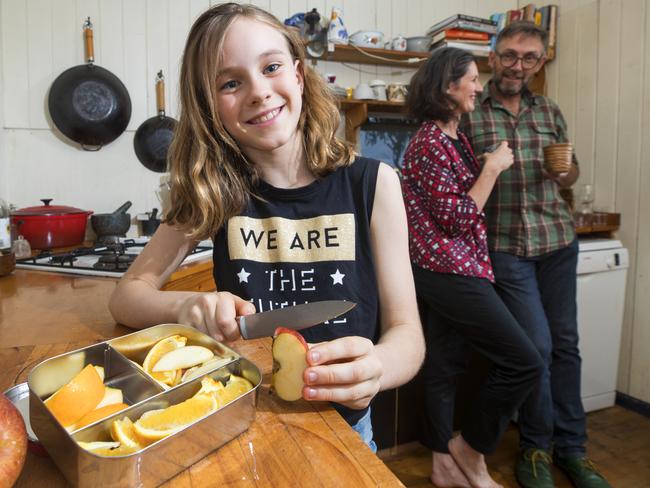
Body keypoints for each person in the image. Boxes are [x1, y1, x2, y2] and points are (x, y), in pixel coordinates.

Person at [108, 3, 424, 452]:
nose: (258, 92)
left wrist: (380, 366)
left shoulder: (374, 184)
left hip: (348, 431)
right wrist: (185, 306)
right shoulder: (210, 191)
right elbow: (126, 296)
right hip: (239, 421)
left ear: (297, 75)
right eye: (230, 83)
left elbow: (407, 334)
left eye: (271, 67)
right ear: (208, 107)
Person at [460, 22, 611, 488]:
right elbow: (458, 184)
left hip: (556, 242)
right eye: (509, 55)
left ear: (540, 63)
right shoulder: (471, 112)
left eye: (528, 58)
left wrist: (566, 174)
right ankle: (535, 450)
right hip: (505, 249)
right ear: (492, 57)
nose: (517, 66)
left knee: (566, 347)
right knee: (537, 350)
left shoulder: (548, 109)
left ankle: (574, 451)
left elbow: (570, 167)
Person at [402, 47, 544, 488]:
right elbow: (458, 218)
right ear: (449, 86)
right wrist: (495, 169)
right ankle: (471, 448)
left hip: (455, 267)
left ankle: (444, 465)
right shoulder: (429, 141)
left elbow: (452, 201)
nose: (479, 87)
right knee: (524, 361)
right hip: (447, 270)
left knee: (444, 366)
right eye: (473, 79)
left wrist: (480, 166)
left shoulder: (452, 137)